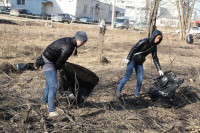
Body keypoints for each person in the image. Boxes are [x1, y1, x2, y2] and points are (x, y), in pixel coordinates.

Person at [41, 31, 88, 117]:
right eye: (82, 42)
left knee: (49, 84)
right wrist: (60, 69)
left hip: (48, 58)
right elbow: (60, 63)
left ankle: (44, 103)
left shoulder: (70, 41)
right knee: (54, 86)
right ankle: (51, 110)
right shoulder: (69, 47)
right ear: (77, 39)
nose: (82, 44)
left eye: (84, 43)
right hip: (48, 61)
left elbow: (60, 60)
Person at [116, 30, 164, 98]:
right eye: (157, 38)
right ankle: (118, 90)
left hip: (140, 62)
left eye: (159, 39)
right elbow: (134, 49)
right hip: (132, 59)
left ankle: (136, 94)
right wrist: (128, 58)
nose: (157, 40)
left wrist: (159, 69)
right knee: (127, 76)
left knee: (140, 79)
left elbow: (155, 58)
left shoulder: (154, 47)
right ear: (153, 36)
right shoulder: (144, 41)